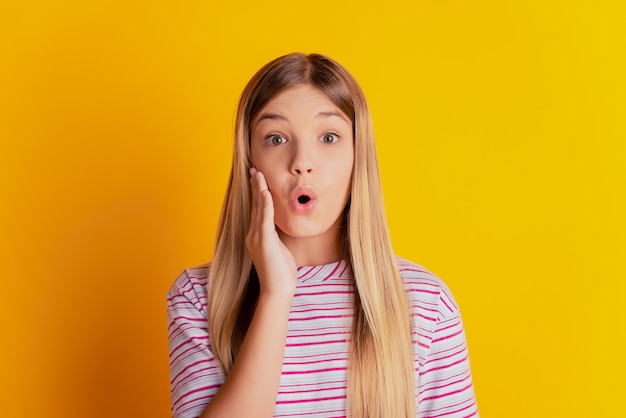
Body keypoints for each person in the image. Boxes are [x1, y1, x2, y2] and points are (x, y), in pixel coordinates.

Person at [167, 52, 478, 418]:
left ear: (357, 157)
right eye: (276, 138)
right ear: (249, 159)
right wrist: (276, 294)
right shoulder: (198, 299)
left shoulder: (426, 305)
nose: (302, 161)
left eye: (329, 137)